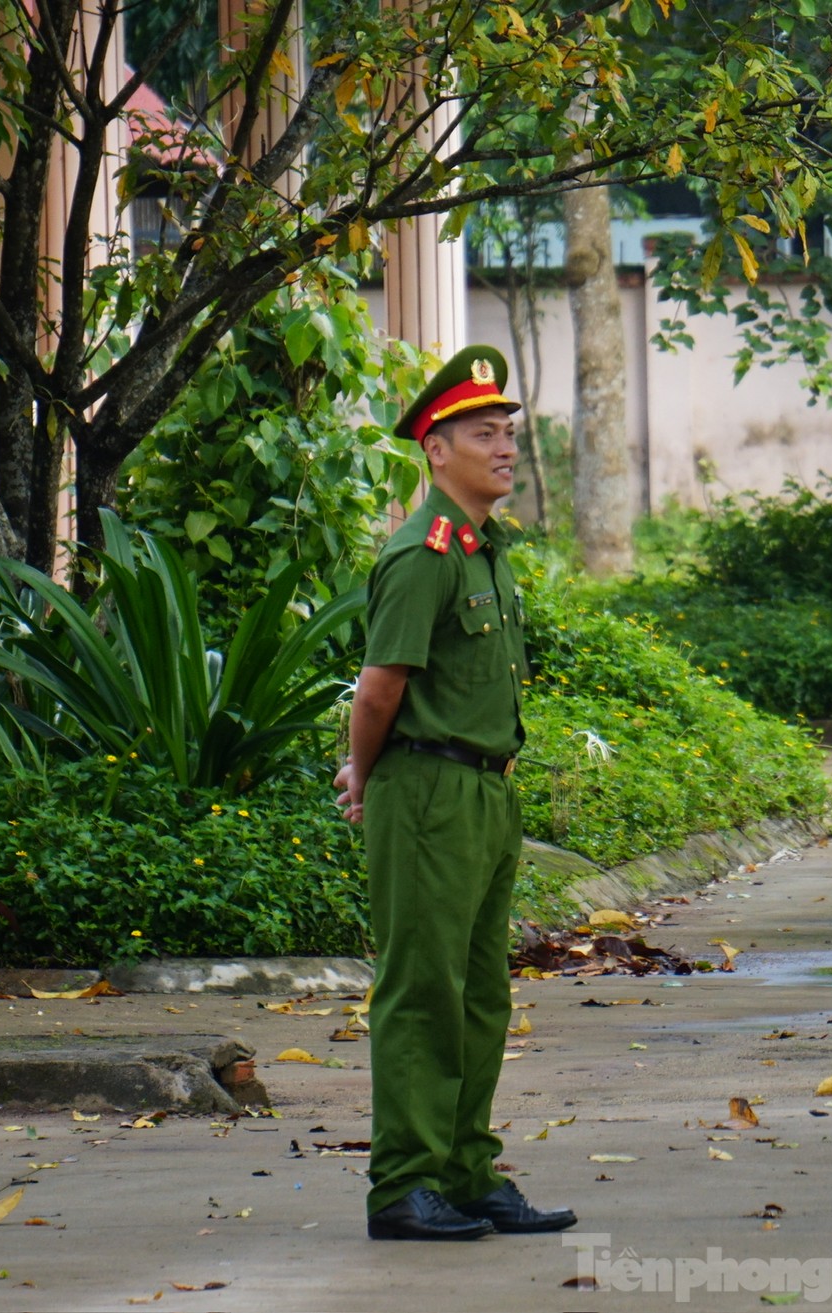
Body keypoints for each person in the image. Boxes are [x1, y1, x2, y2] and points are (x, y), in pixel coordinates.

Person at [333, 345, 576, 1242]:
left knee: (480, 994)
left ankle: (466, 1171)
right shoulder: (424, 552)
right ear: (436, 449)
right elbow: (378, 688)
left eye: (508, 432)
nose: (505, 446)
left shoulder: (485, 549)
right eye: (484, 433)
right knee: (421, 990)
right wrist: (363, 772)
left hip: (485, 793)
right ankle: (403, 1184)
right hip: (428, 790)